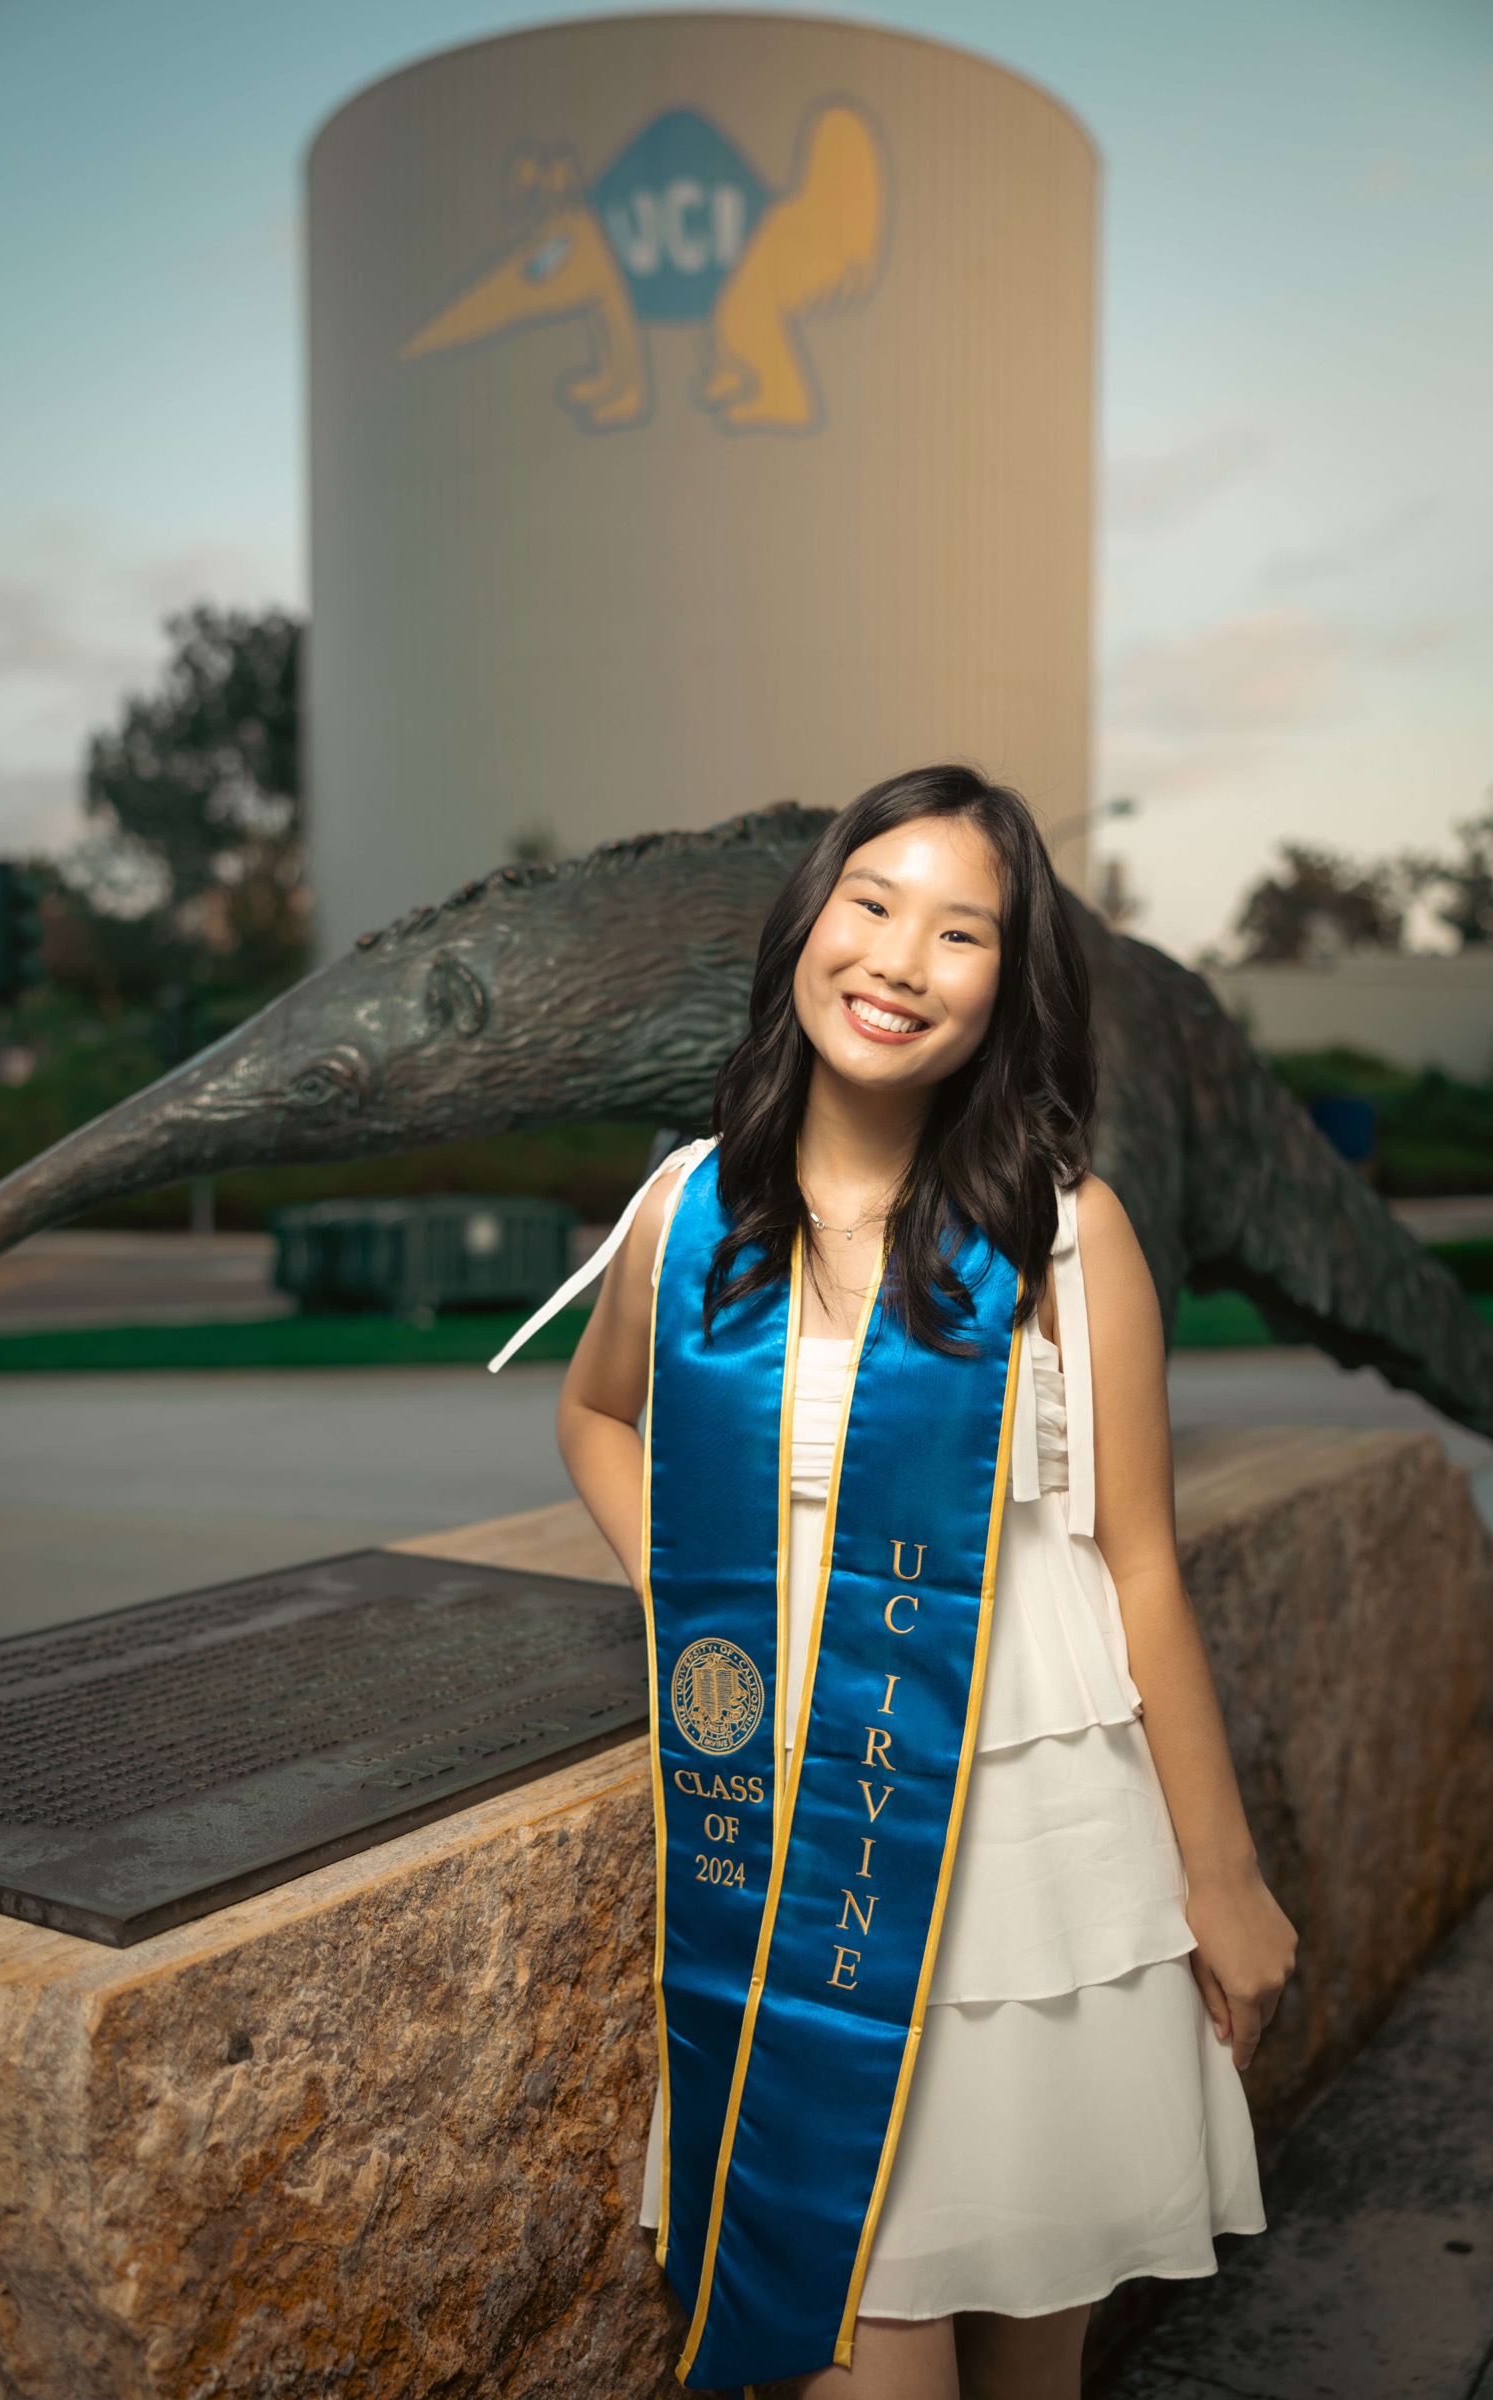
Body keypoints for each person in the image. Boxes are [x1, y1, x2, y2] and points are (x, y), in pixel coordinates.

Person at [514, 764, 1297, 2399]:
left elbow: (1140, 1562)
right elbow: (594, 1417)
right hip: (797, 1859)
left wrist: (1220, 1878)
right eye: (870, 904)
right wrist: (700, 1601)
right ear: (806, 926)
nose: (898, 958)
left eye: (962, 933)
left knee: (1033, 2373)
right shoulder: (688, 1216)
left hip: (1037, 1864)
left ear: (1006, 994)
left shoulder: (1067, 1239)